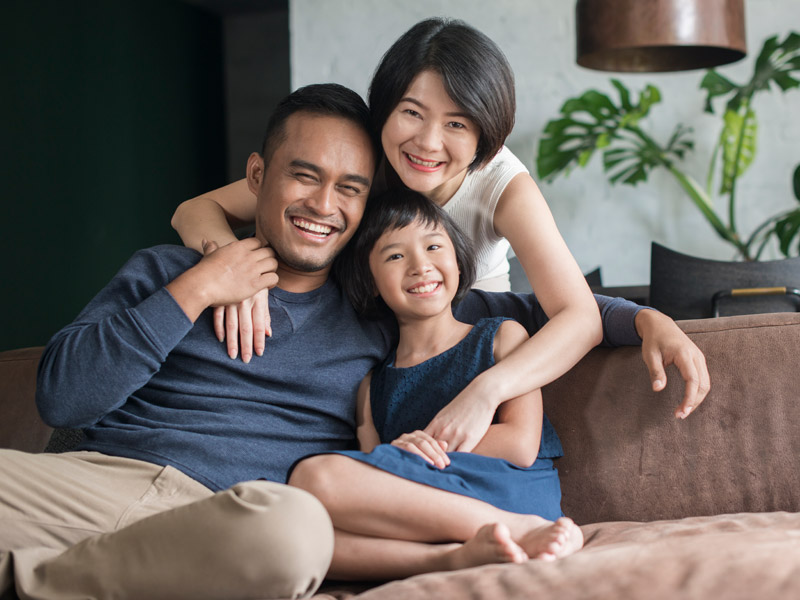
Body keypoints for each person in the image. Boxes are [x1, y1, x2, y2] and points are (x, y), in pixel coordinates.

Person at [0, 83, 703, 598]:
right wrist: (202, 285)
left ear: (365, 207)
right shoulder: (167, 269)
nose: (322, 205)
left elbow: (547, 308)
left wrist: (647, 320)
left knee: (294, 534)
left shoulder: (376, 305)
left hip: (236, 517)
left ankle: (31, 576)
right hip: (92, 483)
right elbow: (63, 397)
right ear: (256, 178)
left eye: (349, 188)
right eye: (304, 176)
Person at [171, 17, 706, 458]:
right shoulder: (360, 161)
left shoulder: (504, 189)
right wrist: (233, 272)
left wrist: (489, 389)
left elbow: (570, 314)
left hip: (452, 348)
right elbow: (196, 210)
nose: (427, 142)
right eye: (410, 113)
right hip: (364, 343)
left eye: (457, 123)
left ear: (486, 136)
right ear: (384, 109)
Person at [288, 189, 584, 580]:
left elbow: (521, 445)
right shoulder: (372, 384)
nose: (420, 265)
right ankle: (455, 557)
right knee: (301, 538)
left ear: (459, 263)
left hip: (510, 493)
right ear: (371, 281)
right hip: (428, 514)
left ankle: (518, 530)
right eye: (395, 255)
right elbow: (377, 477)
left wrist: (419, 449)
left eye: (433, 246)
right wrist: (399, 453)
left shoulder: (501, 338)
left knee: (313, 478)